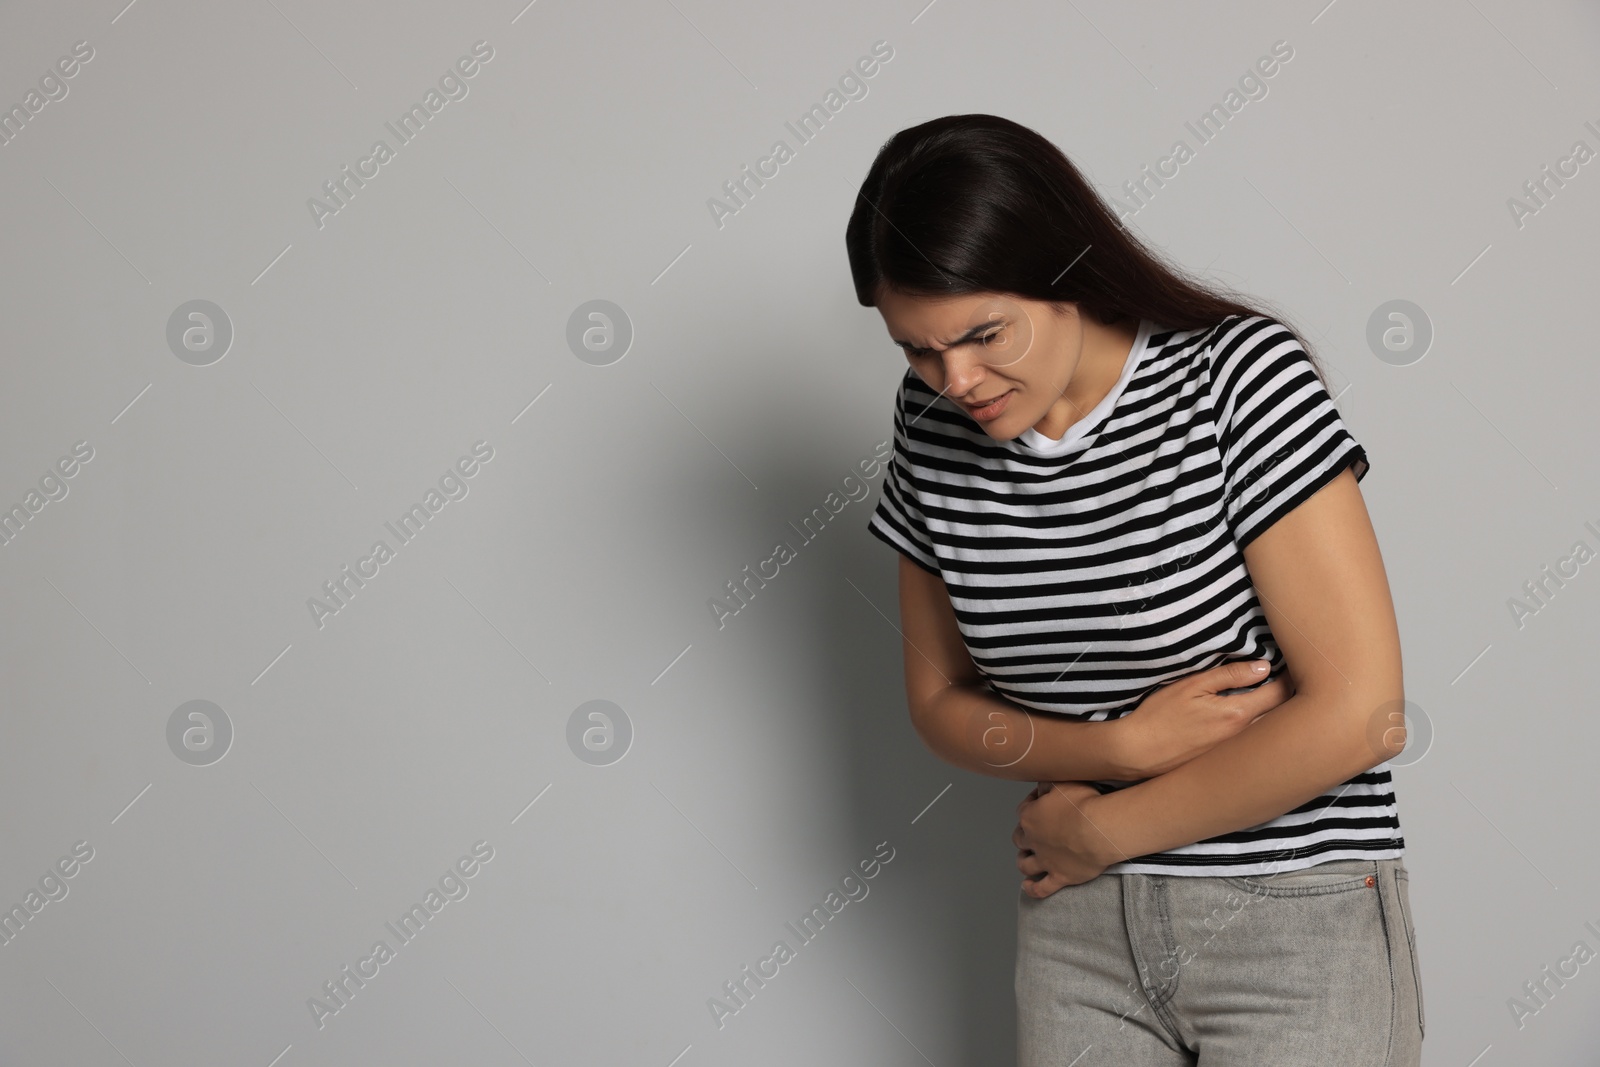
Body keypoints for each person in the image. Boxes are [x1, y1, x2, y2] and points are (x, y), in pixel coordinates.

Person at [848, 114, 1424, 1065]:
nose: (958, 380)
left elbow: (1363, 714)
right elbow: (938, 704)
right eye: (918, 350)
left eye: (985, 334)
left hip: (1293, 913)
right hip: (1075, 927)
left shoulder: (1237, 379)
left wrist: (1106, 827)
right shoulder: (930, 424)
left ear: (1063, 270)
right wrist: (1117, 748)